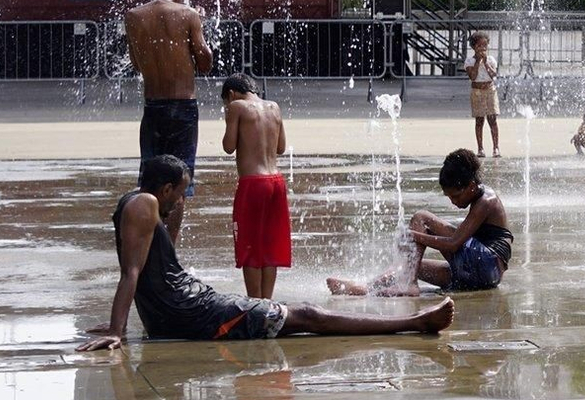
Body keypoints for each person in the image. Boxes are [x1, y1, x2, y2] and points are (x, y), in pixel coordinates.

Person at [78, 156, 452, 350]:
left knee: (297, 313)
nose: (181, 200)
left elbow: (142, 267)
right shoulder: (144, 204)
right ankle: (415, 323)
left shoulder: (132, 203)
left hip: (190, 307)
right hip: (194, 313)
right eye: (179, 192)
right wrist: (116, 330)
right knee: (307, 315)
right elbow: (131, 272)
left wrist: (121, 324)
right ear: (163, 187)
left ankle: (412, 323)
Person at [326, 149, 513, 295]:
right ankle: (365, 288)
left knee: (421, 218)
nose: (453, 202)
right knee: (410, 266)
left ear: (471, 186)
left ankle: (408, 285)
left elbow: (455, 243)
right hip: (482, 275)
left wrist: (414, 236)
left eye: (456, 196)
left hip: (486, 263)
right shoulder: (477, 195)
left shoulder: (486, 201)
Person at [124, 0, 213, 240]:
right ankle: (169, 255)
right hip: (183, 106)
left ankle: (146, 250)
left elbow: (137, 65)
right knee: (179, 183)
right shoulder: (188, 14)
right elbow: (205, 63)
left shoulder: (134, 16)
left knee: (150, 182)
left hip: (152, 106)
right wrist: (201, 27)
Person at [221, 73, 290, 299]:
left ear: (231, 94)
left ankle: (253, 303)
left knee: (249, 245)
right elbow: (281, 147)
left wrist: (228, 118)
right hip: (276, 182)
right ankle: (267, 302)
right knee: (270, 246)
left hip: (253, 184)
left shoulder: (237, 107)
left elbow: (228, 146)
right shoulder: (274, 107)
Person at [465, 31, 500, 158]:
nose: (483, 49)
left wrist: (485, 63)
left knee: (492, 119)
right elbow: (473, 76)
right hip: (477, 91)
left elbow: (494, 74)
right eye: (479, 46)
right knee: (479, 120)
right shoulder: (469, 61)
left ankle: (496, 147)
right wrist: (477, 62)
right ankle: (480, 148)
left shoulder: (490, 60)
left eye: (485, 46)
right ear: (474, 47)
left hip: (490, 90)